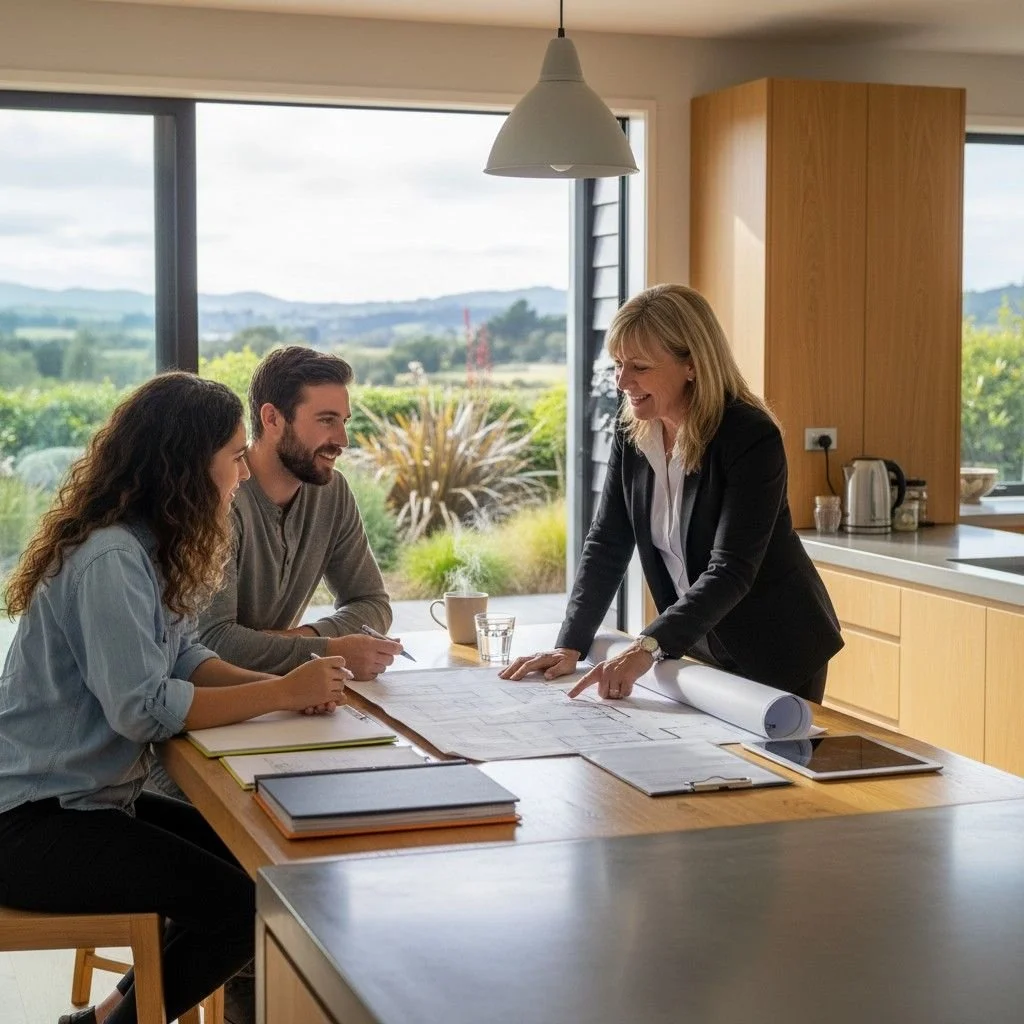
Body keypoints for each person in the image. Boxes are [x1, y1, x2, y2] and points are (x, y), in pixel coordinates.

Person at [0, 373, 350, 1024]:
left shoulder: (144, 548)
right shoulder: (111, 558)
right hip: (30, 826)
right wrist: (282, 689)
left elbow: (185, 656)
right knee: (240, 907)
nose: (243, 472)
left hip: (86, 804)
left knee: (254, 868)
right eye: (234, 456)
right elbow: (143, 706)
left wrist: (285, 694)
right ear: (189, 465)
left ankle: (102, 1019)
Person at [501, 283, 842, 703]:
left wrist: (646, 646)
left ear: (692, 366)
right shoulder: (632, 432)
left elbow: (731, 569)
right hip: (697, 643)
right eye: (618, 364)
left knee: (768, 767)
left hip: (775, 646)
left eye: (640, 367)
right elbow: (607, 543)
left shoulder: (749, 435)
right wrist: (570, 643)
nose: (623, 381)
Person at [198, 346, 401, 680]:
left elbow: (372, 603)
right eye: (326, 421)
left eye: (344, 421)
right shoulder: (221, 496)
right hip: (213, 706)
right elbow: (214, 644)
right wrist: (330, 651)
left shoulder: (332, 493)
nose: (343, 439)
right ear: (272, 418)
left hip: (283, 699)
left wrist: (300, 639)